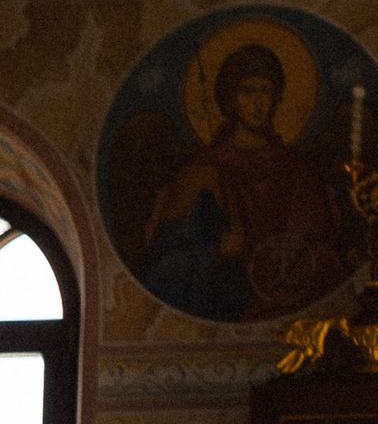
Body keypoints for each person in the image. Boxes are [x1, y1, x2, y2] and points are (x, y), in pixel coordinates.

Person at [142, 39, 344, 322]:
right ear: (230, 98)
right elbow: (162, 266)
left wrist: (296, 265)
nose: (258, 102)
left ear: (277, 97)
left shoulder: (296, 169)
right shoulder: (202, 173)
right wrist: (216, 252)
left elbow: (326, 252)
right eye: (247, 91)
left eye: (266, 91)